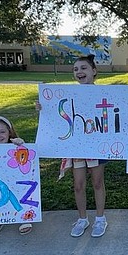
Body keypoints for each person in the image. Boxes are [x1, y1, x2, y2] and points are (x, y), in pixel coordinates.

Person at [46, 55, 110, 238]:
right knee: (78, 184)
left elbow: (116, 112)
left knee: (98, 182)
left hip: (97, 146)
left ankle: (100, 218)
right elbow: (55, 114)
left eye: (84, 68)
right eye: (75, 69)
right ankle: (82, 219)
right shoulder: (69, 96)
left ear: (94, 71)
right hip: (76, 148)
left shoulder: (104, 94)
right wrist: (42, 107)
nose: (79, 72)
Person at [0, 116, 32, 236]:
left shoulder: (16, 146)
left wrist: (20, 144)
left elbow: (27, 154)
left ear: (10, 132)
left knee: (18, 193)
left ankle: (23, 216)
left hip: (15, 180)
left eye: (2, 132)